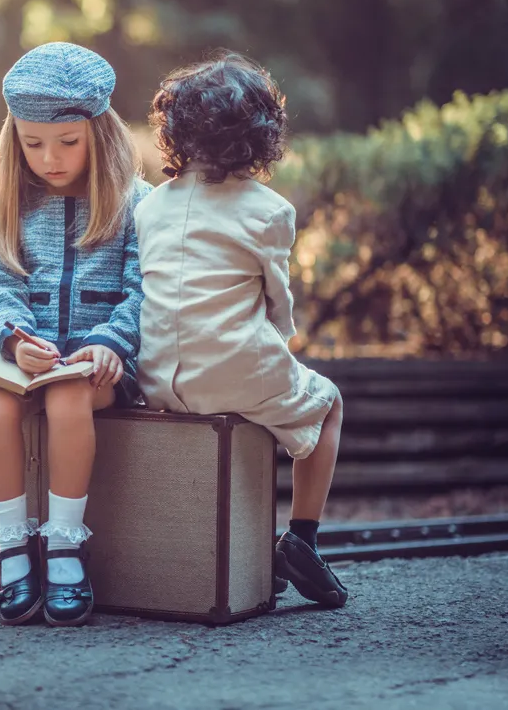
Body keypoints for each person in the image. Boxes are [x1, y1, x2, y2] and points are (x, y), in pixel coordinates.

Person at [135, 50, 348, 608]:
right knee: (326, 402)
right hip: (233, 372)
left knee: (258, 397)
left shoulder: (150, 207)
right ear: (262, 137)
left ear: (175, 133)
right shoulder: (269, 211)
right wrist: (282, 338)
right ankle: (301, 540)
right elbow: (277, 301)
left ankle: (242, 550)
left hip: (155, 379)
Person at [0, 42, 151, 626]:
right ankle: (12, 543)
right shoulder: (13, 203)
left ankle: (66, 544)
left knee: (68, 395)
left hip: (102, 363)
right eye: (32, 143)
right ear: (13, 139)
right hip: (30, 359)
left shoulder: (136, 204)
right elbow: (3, 287)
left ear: (99, 133)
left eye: (68, 142)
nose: (49, 158)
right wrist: (16, 338)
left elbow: (144, 289)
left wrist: (111, 341)